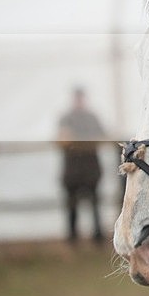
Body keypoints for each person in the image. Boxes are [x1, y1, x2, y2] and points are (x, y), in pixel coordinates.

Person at [57, 87, 106, 243]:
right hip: (72, 171)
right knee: (72, 206)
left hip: (90, 170)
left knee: (95, 204)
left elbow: (102, 135)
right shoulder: (66, 119)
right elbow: (62, 139)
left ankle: (97, 235)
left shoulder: (92, 118)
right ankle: (72, 236)